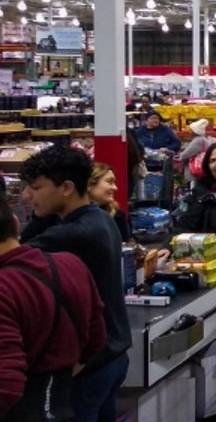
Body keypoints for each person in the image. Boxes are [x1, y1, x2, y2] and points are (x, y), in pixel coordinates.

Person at [18, 146, 131, 422]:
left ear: (66, 188)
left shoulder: (73, 234)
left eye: (36, 187)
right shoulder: (100, 218)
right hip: (112, 355)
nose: (27, 195)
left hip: (87, 364)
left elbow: (14, 255)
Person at [0, 194, 107, 421]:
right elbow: (96, 339)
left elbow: (6, 383)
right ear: (16, 224)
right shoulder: (71, 264)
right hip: (61, 406)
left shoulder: (5, 287)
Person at [88, 163, 130, 242]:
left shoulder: (118, 216)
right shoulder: (75, 216)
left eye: (114, 183)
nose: (115, 188)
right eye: (110, 182)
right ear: (90, 184)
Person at [179, 119, 213, 186]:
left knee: (194, 187)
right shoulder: (203, 139)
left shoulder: (198, 140)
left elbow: (185, 155)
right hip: (201, 169)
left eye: (191, 130)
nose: (189, 132)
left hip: (194, 171)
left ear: (195, 131)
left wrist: (180, 155)